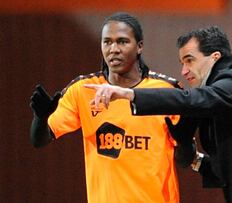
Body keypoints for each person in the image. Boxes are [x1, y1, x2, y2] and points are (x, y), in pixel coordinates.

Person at [84, 26, 232, 202]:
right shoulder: (213, 99)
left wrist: (129, 94)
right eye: (181, 62)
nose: (183, 71)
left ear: (214, 57)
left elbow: (190, 100)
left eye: (189, 60)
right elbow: (230, 159)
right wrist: (194, 159)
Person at [29, 12, 191, 203]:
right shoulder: (83, 90)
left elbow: (184, 160)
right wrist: (40, 118)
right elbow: (39, 140)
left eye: (122, 42)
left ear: (139, 46)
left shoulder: (166, 91)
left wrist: (185, 142)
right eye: (107, 42)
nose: (113, 49)